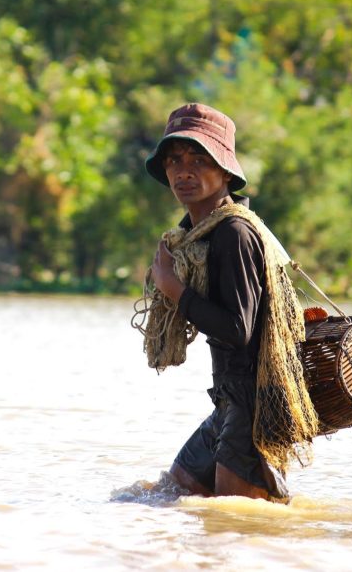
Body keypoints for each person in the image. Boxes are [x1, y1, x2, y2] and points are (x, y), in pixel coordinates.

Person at [136, 102, 317, 503]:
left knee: (239, 526)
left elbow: (238, 330)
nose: (184, 171)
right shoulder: (196, 234)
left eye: (200, 159)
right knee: (165, 498)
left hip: (257, 405)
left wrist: (171, 287)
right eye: (175, 160)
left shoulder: (233, 232)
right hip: (229, 402)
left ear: (225, 171)